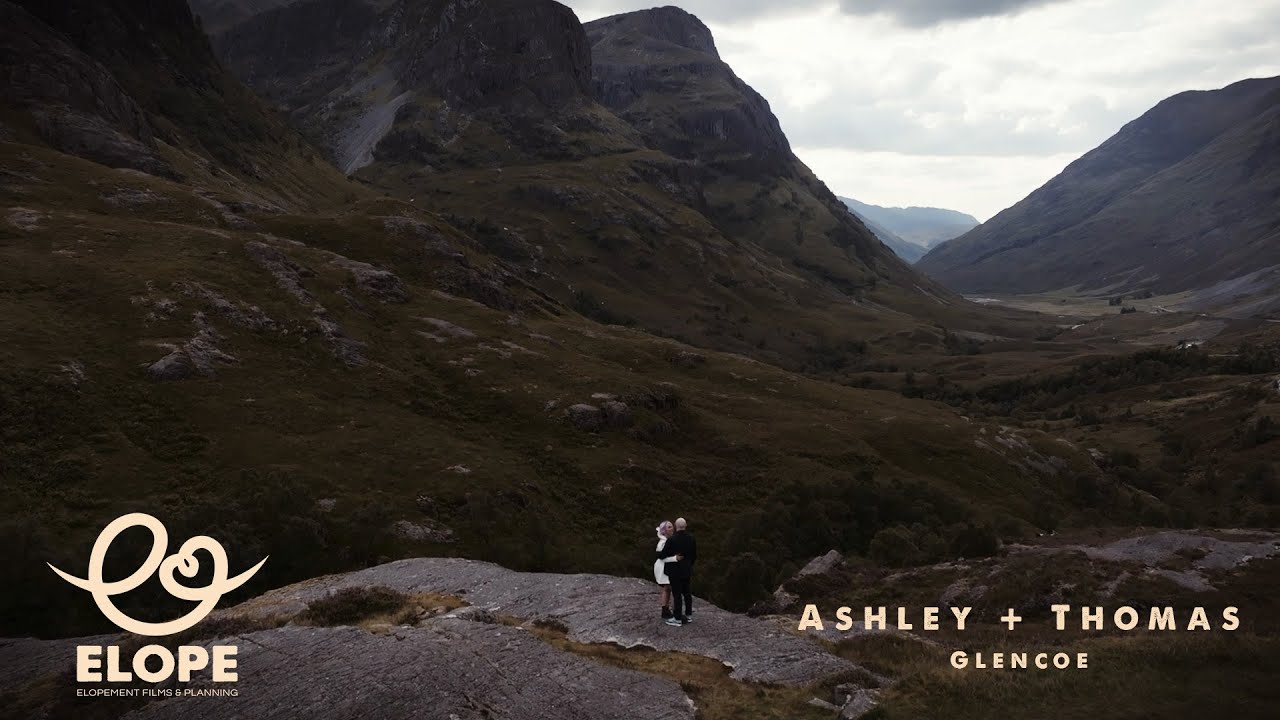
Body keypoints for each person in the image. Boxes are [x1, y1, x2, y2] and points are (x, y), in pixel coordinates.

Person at [660, 517, 697, 626]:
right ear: (685, 526)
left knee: (677, 594)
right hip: (686, 569)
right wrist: (689, 565)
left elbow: (663, 555)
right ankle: (688, 615)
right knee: (687, 593)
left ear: (676, 527)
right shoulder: (691, 538)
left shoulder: (672, 539)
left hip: (674, 571)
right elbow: (694, 555)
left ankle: (677, 618)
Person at [653, 521, 681, 619]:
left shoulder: (667, 541)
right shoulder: (662, 543)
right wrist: (675, 558)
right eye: (669, 527)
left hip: (666, 567)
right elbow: (661, 557)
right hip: (662, 568)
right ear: (664, 530)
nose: (672, 528)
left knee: (668, 588)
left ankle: (666, 609)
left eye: (672, 526)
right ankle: (667, 609)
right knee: (668, 588)